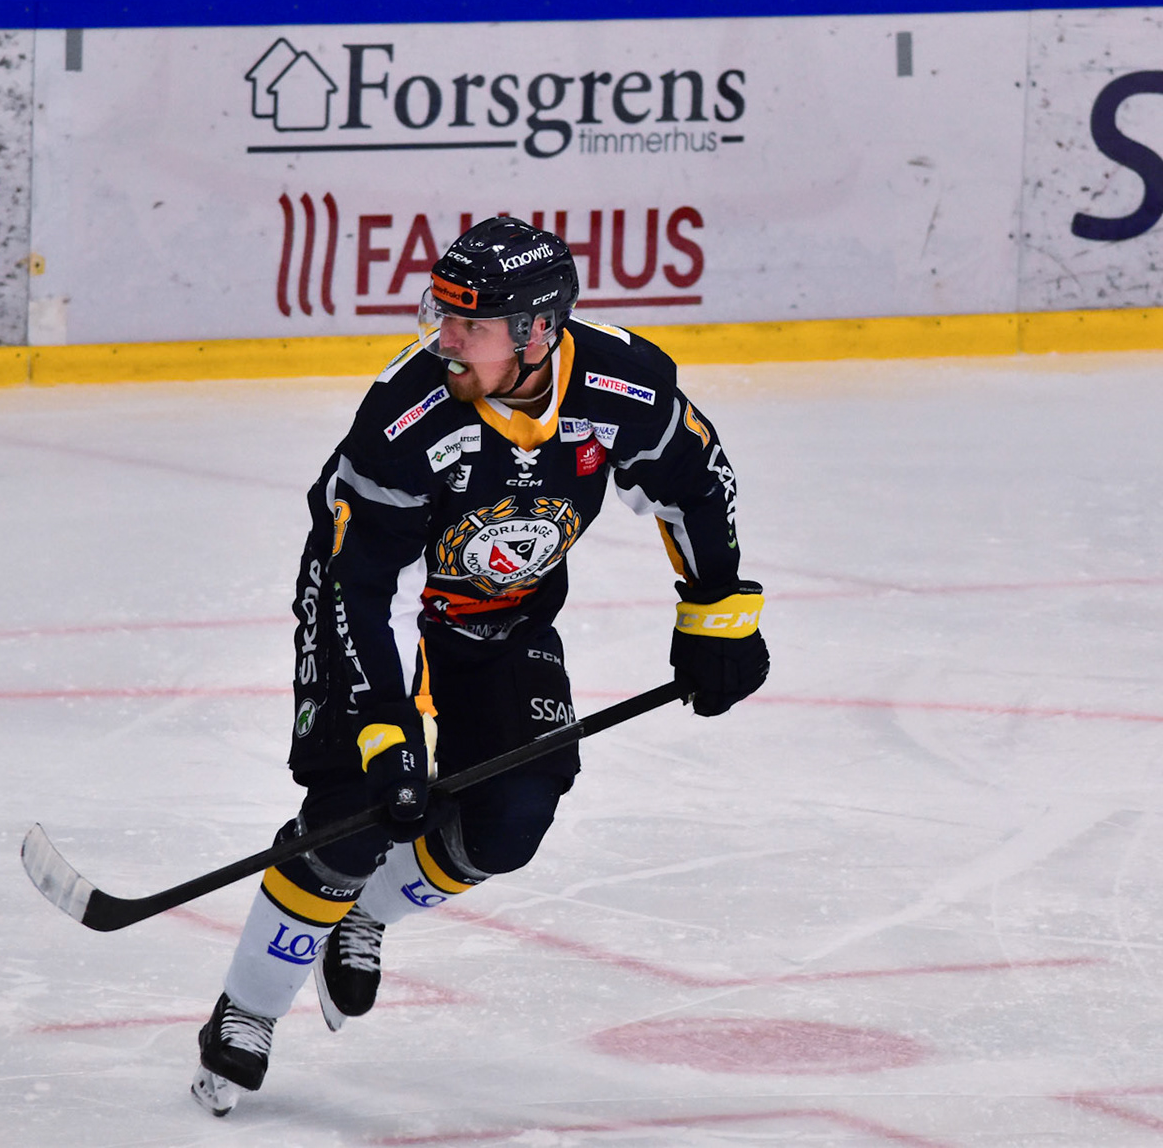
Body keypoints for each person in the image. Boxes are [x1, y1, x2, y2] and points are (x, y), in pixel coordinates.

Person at [190, 217, 769, 1114]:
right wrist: (385, 726)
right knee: (355, 814)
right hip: (363, 608)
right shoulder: (405, 416)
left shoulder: (624, 384)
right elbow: (365, 586)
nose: (446, 338)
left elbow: (698, 481)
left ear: (537, 332)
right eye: (444, 315)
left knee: (510, 821)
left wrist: (716, 611)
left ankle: (366, 913)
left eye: (471, 324)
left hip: (500, 613)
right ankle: (249, 1010)